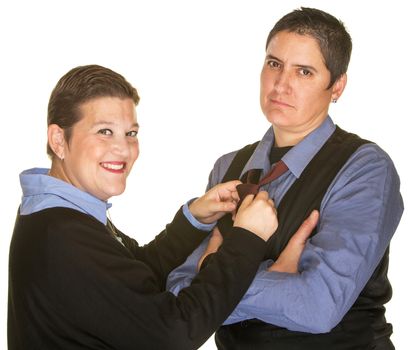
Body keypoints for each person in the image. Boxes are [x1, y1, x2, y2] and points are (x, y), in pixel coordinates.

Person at [7, 64, 318, 350]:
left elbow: (135, 278)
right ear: (59, 140)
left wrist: (195, 217)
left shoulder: (59, 212)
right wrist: (247, 239)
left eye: (131, 133)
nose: (123, 149)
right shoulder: (62, 235)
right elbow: (174, 332)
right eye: (104, 131)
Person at [167, 7, 404, 350]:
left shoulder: (364, 168)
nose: (281, 84)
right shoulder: (228, 167)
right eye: (274, 64)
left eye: (304, 71)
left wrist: (214, 274)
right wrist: (275, 279)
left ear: (336, 86)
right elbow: (179, 296)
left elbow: (318, 307)